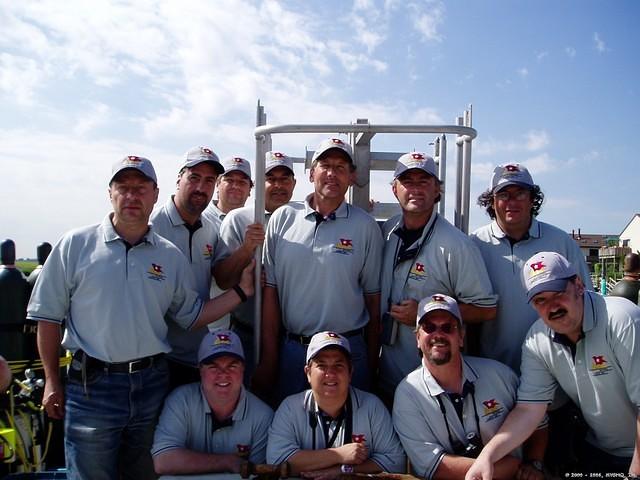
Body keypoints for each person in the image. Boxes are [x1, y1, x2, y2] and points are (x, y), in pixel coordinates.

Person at [27, 155, 255, 480]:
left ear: (155, 193)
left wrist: (242, 293)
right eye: (124, 187)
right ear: (110, 193)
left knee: (144, 472)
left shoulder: (169, 255)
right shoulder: (75, 245)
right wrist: (51, 379)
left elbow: (193, 316)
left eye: (141, 188)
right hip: (93, 386)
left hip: (151, 385)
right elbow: (47, 318)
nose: (132, 196)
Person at [465, 252, 640, 479]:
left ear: (578, 284)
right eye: (540, 300)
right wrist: (487, 457)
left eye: (558, 293)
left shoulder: (623, 319)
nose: (552, 306)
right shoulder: (537, 339)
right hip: (599, 449)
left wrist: (635, 474)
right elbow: (529, 410)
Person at [257, 138, 383, 402]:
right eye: (325, 165)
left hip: (349, 352)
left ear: (352, 177)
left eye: (340, 167)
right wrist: (269, 359)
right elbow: (271, 294)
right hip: (295, 352)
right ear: (311, 173)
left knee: (352, 436)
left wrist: (371, 364)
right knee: (292, 435)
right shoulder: (282, 219)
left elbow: (374, 301)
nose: (331, 173)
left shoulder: (366, 227)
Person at [379, 152, 497, 399]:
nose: (415, 189)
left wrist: (424, 312)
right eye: (407, 181)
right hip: (388, 374)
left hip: (435, 385)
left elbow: (486, 309)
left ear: (437, 190)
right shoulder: (387, 231)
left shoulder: (457, 245)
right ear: (394, 189)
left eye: (424, 181)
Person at [393, 294, 545, 480]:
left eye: (447, 327)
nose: (438, 334)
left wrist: (533, 463)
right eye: (429, 327)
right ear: (417, 338)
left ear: (461, 336)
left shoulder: (501, 375)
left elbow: (539, 423)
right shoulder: (407, 394)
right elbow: (436, 467)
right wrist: (511, 467)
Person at [471, 163, 593, 372]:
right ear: (492, 201)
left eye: (520, 193)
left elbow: (588, 300)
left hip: (557, 371)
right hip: (492, 372)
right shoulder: (474, 244)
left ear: (532, 199)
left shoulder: (560, 242)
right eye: (504, 195)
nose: (512, 202)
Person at [267, 331, 405, 478]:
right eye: (322, 365)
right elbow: (276, 461)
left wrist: (342, 470)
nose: (330, 373)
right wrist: (338, 455)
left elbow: (395, 462)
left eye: (338, 365)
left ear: (350, 372)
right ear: (308, 373)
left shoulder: (372, 406)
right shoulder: (290, 408)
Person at [213, 151, 296, 380]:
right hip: (248, 334)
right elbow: (222, 279)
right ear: (259, 184)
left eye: (285, 179)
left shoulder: (303, 221)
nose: (278, 185)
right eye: (271, 179)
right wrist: (246, 249)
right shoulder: (238, 219)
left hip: (292, 338)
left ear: (294, 183)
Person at [150, 146, 226, 388]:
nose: (201, 188)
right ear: (178, 179)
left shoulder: (210, 229)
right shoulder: (153, 227)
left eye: (209, 180)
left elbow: (223, 277)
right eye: (194, 178)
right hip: (157, 360)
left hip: (196, 356)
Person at [151, 330, 273, 476]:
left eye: (232, 366)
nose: (223, 374)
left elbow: (258, 475)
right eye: (213, 367)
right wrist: (228, 462)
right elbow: (163, 461)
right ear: (200, 370)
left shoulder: (263, 416)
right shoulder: (180, 400)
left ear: (243, 369)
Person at [203, 156, 253, 224]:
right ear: (217, 184)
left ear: (250, 189)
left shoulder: (255, 223)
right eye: (229, 180)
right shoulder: (201, 218)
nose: (235, 186)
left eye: (242, 182)